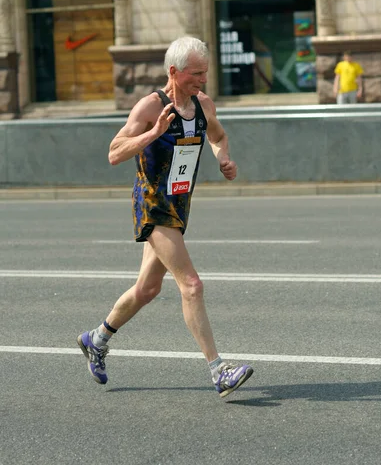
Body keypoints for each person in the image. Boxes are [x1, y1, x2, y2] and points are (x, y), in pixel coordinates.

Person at [77, 36, 253, 398]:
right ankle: (218, 370)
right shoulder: (149, 107)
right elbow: (114, 153)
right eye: (196, 74)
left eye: (205, 73)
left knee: (148, 289)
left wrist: (223, 159)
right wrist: (154, 132)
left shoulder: (202, 105)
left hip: (178, 204)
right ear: (173, 72)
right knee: (191, 284)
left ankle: (96, 338)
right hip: (153, 204)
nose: (202, 81)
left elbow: (219, 136)